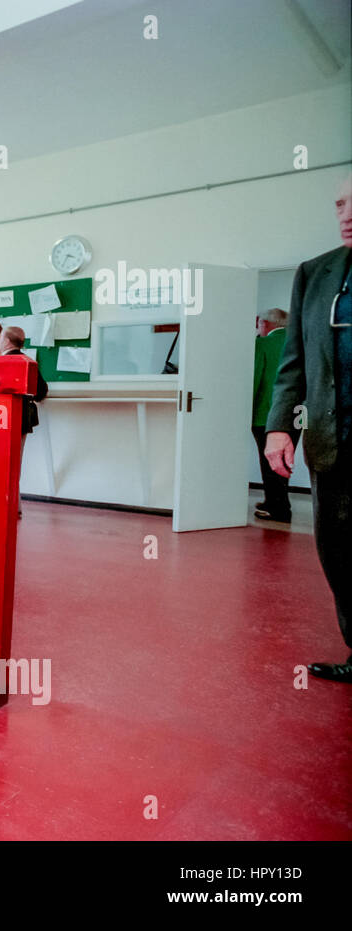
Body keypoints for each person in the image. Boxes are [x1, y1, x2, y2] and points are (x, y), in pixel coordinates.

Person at [264, 174, 352, 684]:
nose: (345, 212)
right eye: (340, 202)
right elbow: (293, 360)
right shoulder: (315, 273)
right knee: (336, 548)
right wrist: (281, 426)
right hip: (331, 439)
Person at [0, 326, 48, 518]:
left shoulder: (4, 362)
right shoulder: (27, 361)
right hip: (22, 420)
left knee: (3, 465)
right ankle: (14, 504)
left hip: (2, 420)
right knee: (15, 463)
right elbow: (42, 390)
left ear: (8, 341)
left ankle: (8, 504)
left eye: (1, 337)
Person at [252, 308, 295, 522]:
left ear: (265, 324)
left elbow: (256, 379)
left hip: (266, 413)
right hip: (298, 413)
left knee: (269, 460)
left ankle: (277, 508)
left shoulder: (262, 344)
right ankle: (275, 501)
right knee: (286, 460)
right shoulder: (300, 344)